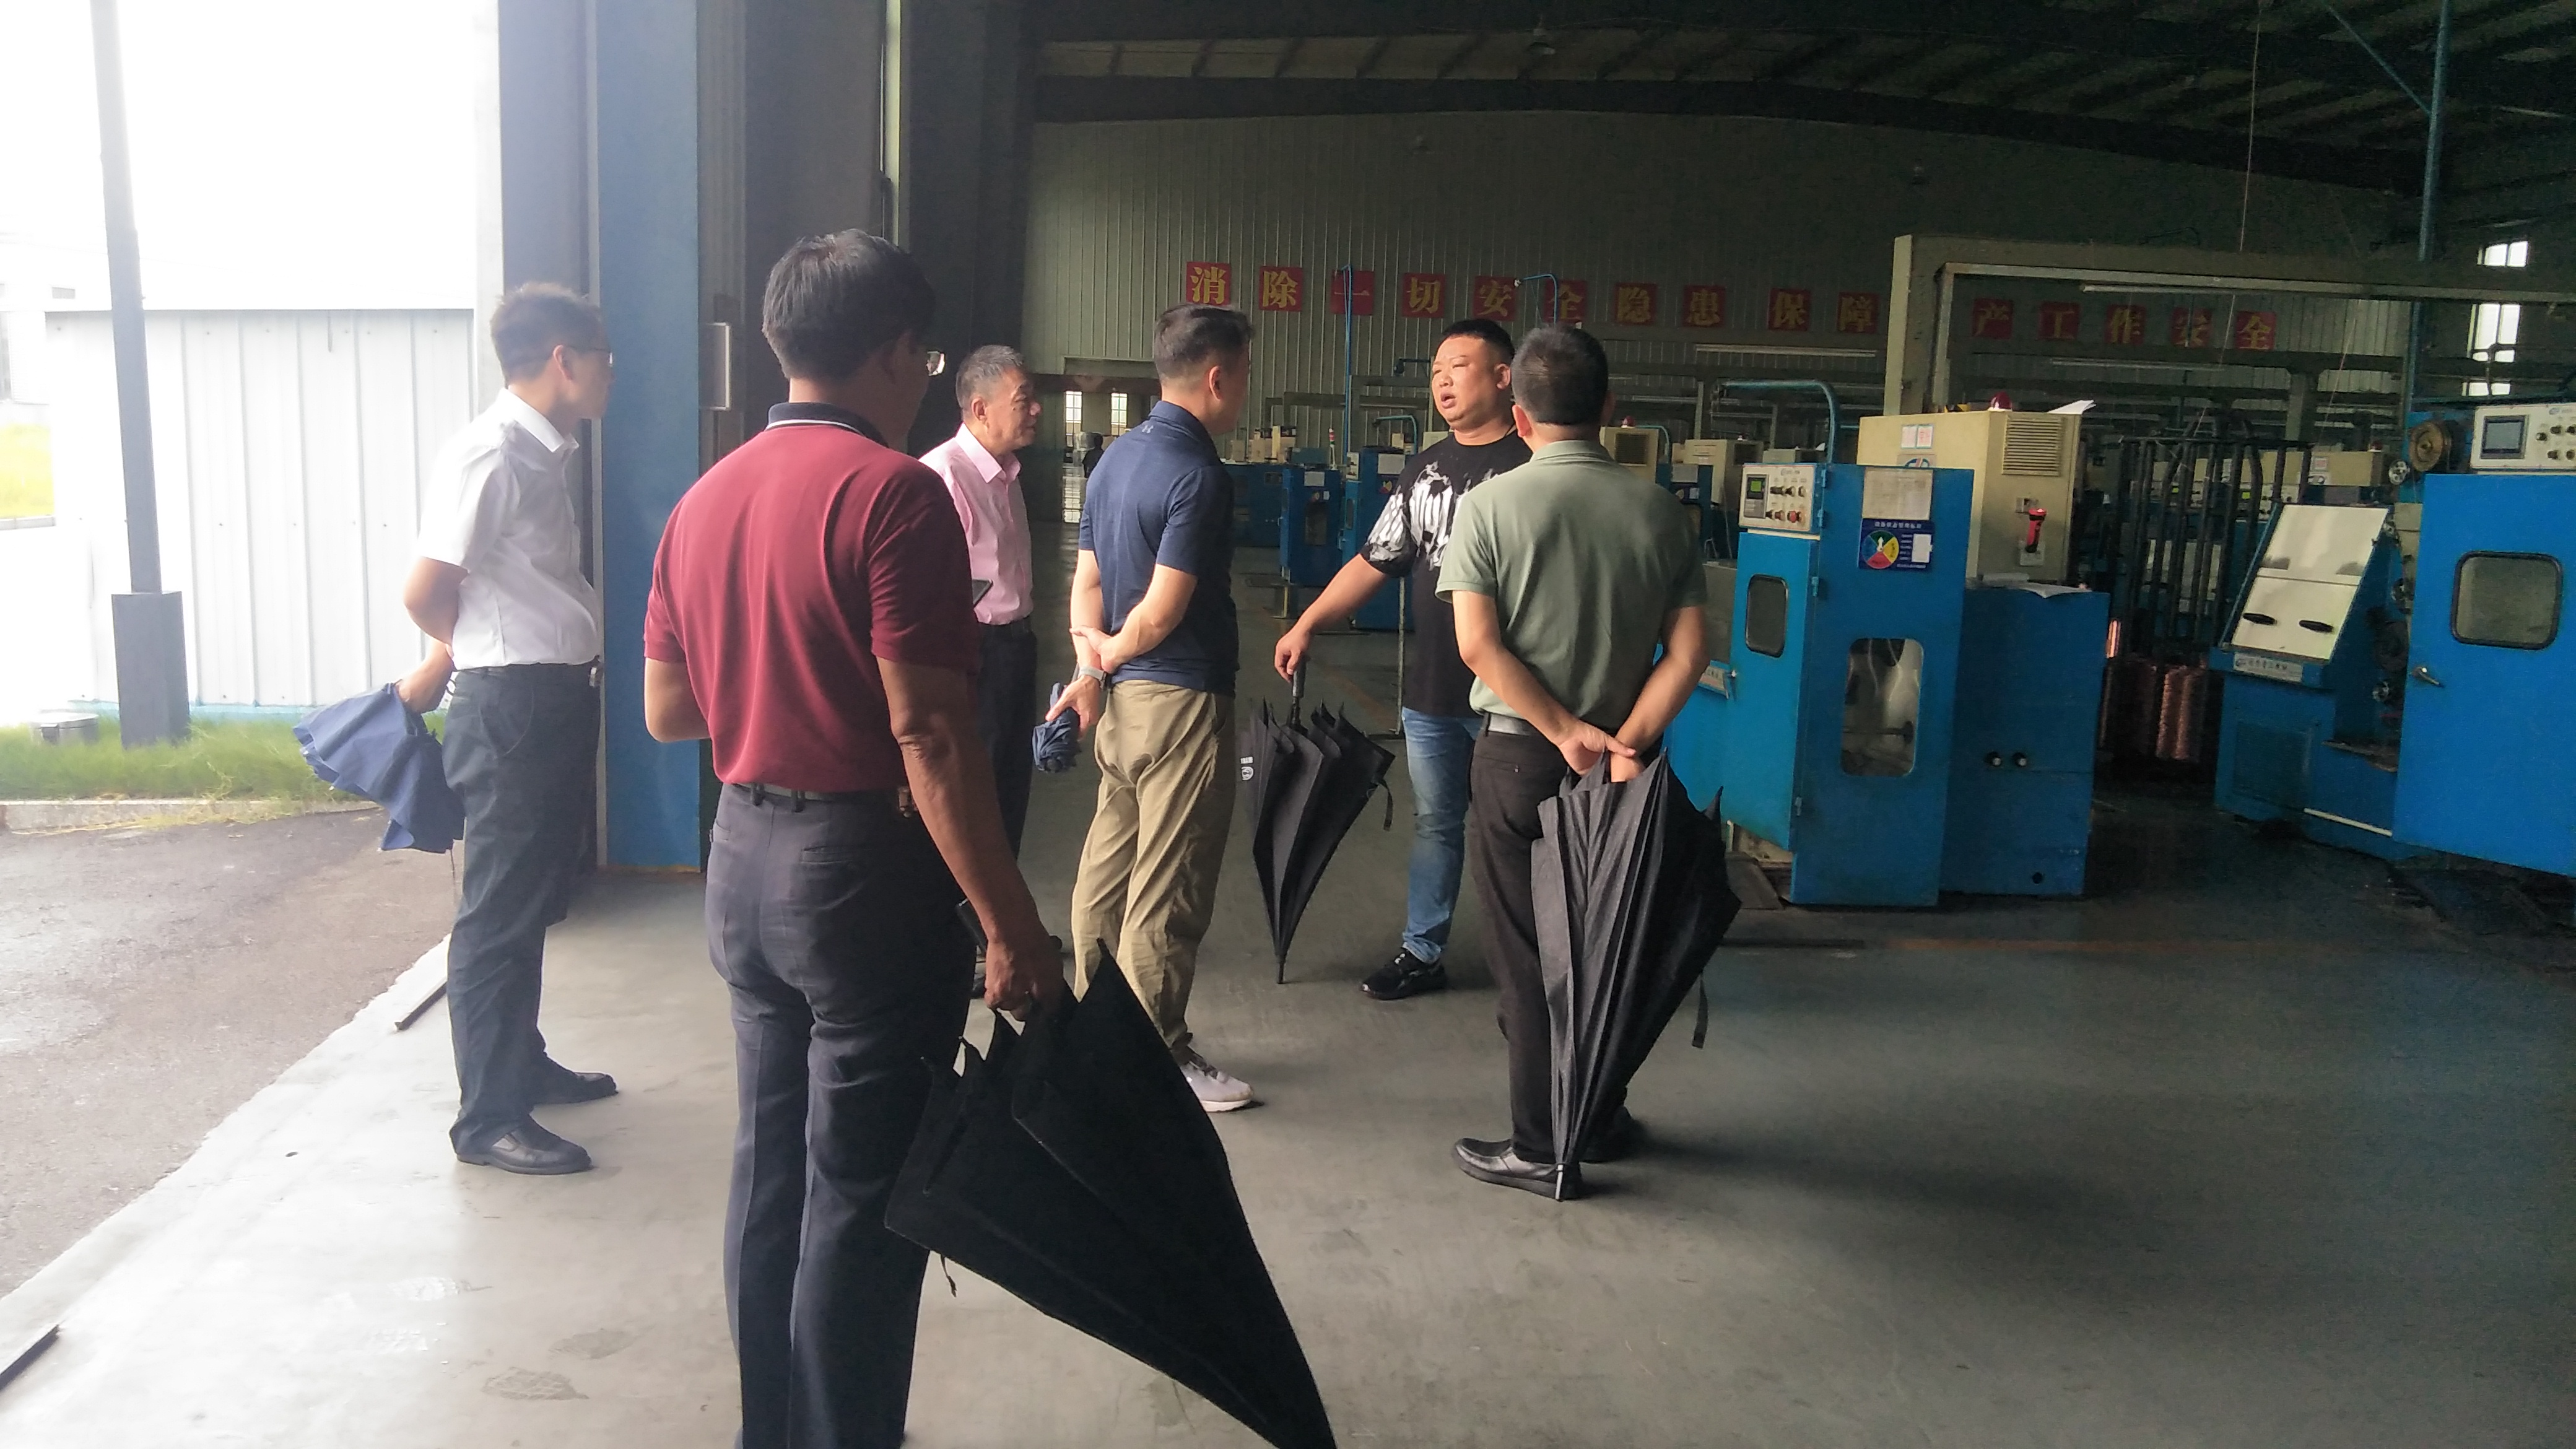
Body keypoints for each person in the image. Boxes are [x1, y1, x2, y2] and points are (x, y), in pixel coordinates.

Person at [640, 230, 1062, 1449]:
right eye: (923, 359)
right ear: (891, 352)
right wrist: (1011, 926)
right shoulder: (894, 495)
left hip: (741, 865)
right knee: (863, 1199)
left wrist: (773, 683)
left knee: (771, 1174)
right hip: (858, 881)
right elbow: (929, 734)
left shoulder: (705, 496)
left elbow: (669, 711)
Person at [1435, 324, 1710, 1199]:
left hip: (1522, 760)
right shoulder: (1660, 512)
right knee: (1610, 945)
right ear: (1610, 409)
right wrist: (1624, 739)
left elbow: (1477, 647)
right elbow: (1690, 652)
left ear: (1519, 417)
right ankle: (1599, 1114)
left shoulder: (1489, 507)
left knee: (1529, 958)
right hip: (1628, 769)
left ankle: (1541, 1143)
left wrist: (1562, 731)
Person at [398, 282, 617, 1177]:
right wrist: (467, 650)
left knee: (530, 898)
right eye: (601, 358)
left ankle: (521, 1063)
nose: (609, 373)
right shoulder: (490, 454)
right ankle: (487, 1117)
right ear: (563, 360)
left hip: (549, 698)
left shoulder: (541, 453)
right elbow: (426, 589)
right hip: (512, 705)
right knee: (496, 912)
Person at [1273, 318, 1527, 1001]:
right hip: (1436, 690)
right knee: (1437, 824)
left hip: (1517, 695)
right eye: (1436, 371)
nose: (1442, 381)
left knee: (1520, 831)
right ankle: (1422, 950)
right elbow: (1374, 561)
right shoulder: (1426, 470)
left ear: (1504, 377)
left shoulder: (1533, 467)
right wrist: (1308, 623)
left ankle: (1533, 962)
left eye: (1459, 366)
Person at [1047, 303, 1253, 1112]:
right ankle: (1154, 1058)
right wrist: (1112, 655)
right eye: (1243, 375)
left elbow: (1089, 583)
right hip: (1181, 703)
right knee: (1171, 882)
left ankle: (1091, 1037)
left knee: (1107, 866)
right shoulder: (1198, 475)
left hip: (1125, 707)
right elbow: (1163, 612)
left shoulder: (1115, 460)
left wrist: (1091, 664)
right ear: (1218, 377)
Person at [920, 345, 1045, 855]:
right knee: (975, 791)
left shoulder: (1006, 475)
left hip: (1015, 648)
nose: (1036, 409)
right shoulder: (943, 477)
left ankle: (1001, 898)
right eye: (1023, 399)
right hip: (974, 655)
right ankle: (967, 901)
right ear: (980, 409)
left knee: (1010, 785)